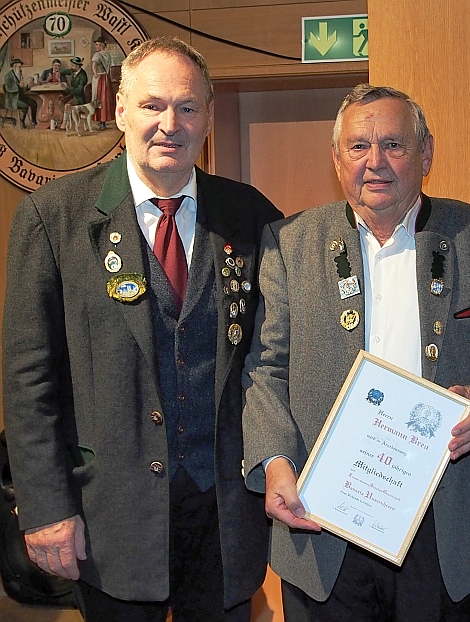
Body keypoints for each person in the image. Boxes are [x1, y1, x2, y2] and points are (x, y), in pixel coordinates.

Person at [3, 36, 282, 621]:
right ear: (120, 110)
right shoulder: (54, 218)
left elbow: (278, 356)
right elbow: (29, 381)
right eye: (153, 105)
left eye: (187, 107)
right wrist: (46, 507)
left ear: (208, 116)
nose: (169, 124)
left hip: (225, 514)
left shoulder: (252, 216)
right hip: (109, 516)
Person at [242, 84, 470, 622]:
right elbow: (266, 368)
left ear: (427, 154)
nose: (374, 161)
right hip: (323, 519)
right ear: (337, 159)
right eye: (358, 146)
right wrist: (276, 460)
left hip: (442, 525)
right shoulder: (289, 243)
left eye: (394, 145)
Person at [3, 57, 37, 128]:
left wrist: (28, 86)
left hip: (20, 96)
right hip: (12, 99)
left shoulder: (19, 74)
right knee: (25, 105)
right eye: (19, 67)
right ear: (14, 66)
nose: (20, 68)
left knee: (34, 103)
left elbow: (22, 89)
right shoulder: (8, 76)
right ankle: (22, 122)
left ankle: (33, 121)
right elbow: (9, 88)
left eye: (21, 66)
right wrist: (19, 86)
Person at [91, 36, 114, 129]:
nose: (96, 46)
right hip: (106, 78)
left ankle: (101, 120)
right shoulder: (107, 55)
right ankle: (103, 121)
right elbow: (110, 68)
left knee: (100, 98)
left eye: (97, 45)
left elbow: (94, 65)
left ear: (101, 45)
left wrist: (95, 74)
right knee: (105, 99)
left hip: (100, 78)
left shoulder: (98, 55)